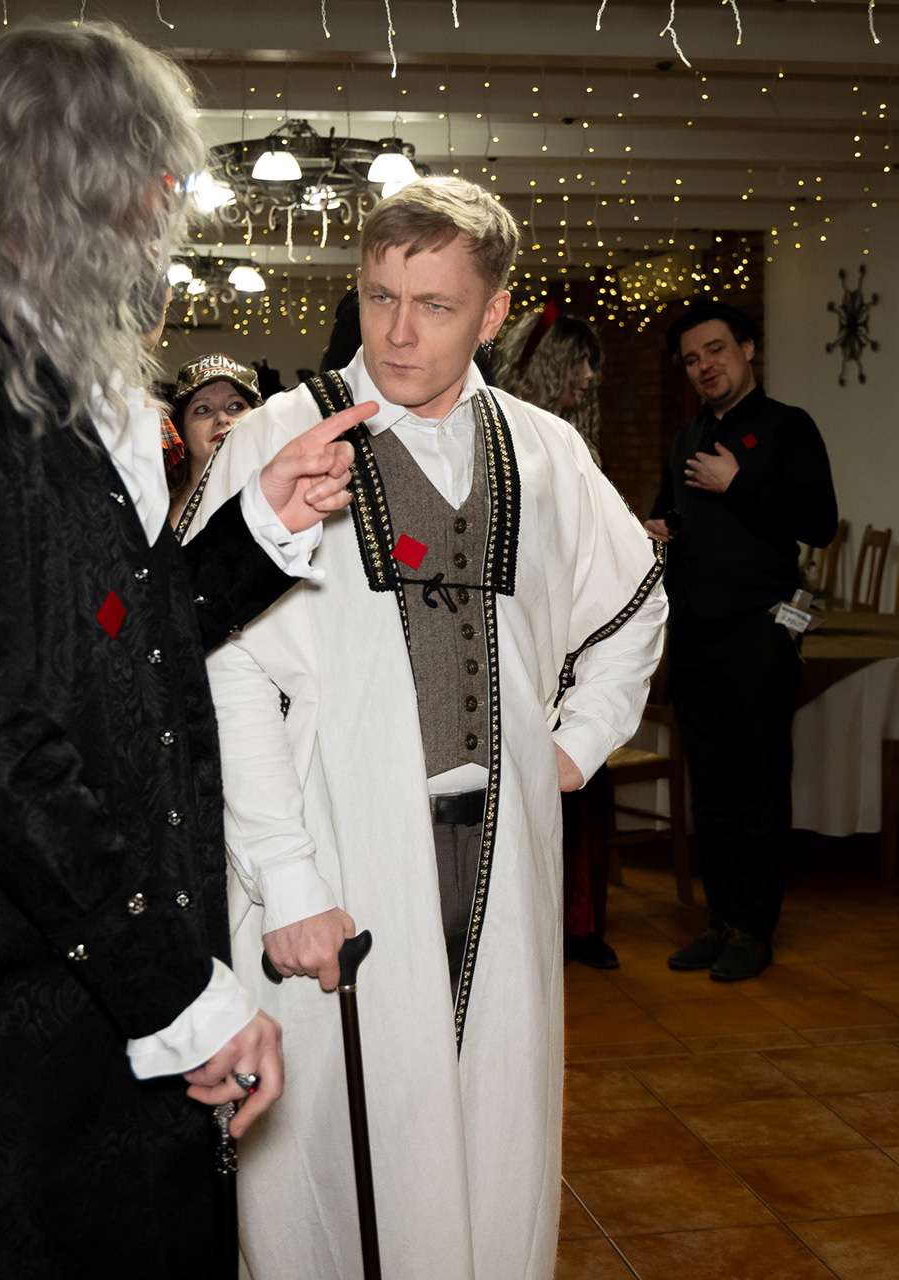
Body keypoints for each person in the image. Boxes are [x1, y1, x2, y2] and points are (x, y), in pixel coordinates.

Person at [0, 22, 374, 1277]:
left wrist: (258, 523)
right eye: (147, 170)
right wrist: (178, 986)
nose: (164, 205)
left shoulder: (53, 380)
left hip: (77, 960)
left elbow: (119, 654)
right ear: (56, 172)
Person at [183, 176, 666, 1280]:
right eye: (379, 297)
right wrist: (285, 878)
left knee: (492, 1127)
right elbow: (218, 664)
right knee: (333, 1145)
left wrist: (573, 745)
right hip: (335, 854)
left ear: (493, 313)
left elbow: (636, 600)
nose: (398, 331)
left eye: (435, 305)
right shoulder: (279, 434)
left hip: (503, 855)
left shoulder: (544, 450)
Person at [647, 302, 837, 982]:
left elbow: (820, 523)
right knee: (711, 789)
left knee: (758, 784)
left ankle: (755, 930)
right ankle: (721, 919)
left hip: (762, 630)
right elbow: (672, 511)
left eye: (716, 349)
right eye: (692, 359)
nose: (705, 366)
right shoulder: (687, 435)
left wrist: (740, 482)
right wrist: (661, 527)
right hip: (695, 634)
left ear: (748, 348)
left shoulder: (788, 427)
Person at [492, 304, 616, 968]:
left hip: (576, 638)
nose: (589, 377)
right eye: (580, 363)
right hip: (522, 638)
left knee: (581, 781)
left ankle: (579, 923)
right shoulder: (502, 437)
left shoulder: (572, 444)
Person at [491, 302, 604, 463]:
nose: (589, 374)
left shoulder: (572, 435)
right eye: (578, 361)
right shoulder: (503, 433)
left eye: (589, 362)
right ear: (548, 365)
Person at [167, 352, 262, 532]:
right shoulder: (153, 506)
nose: (222, 418)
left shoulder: (281, 498)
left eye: (236, 406)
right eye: (203, 409)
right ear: (181, 431)